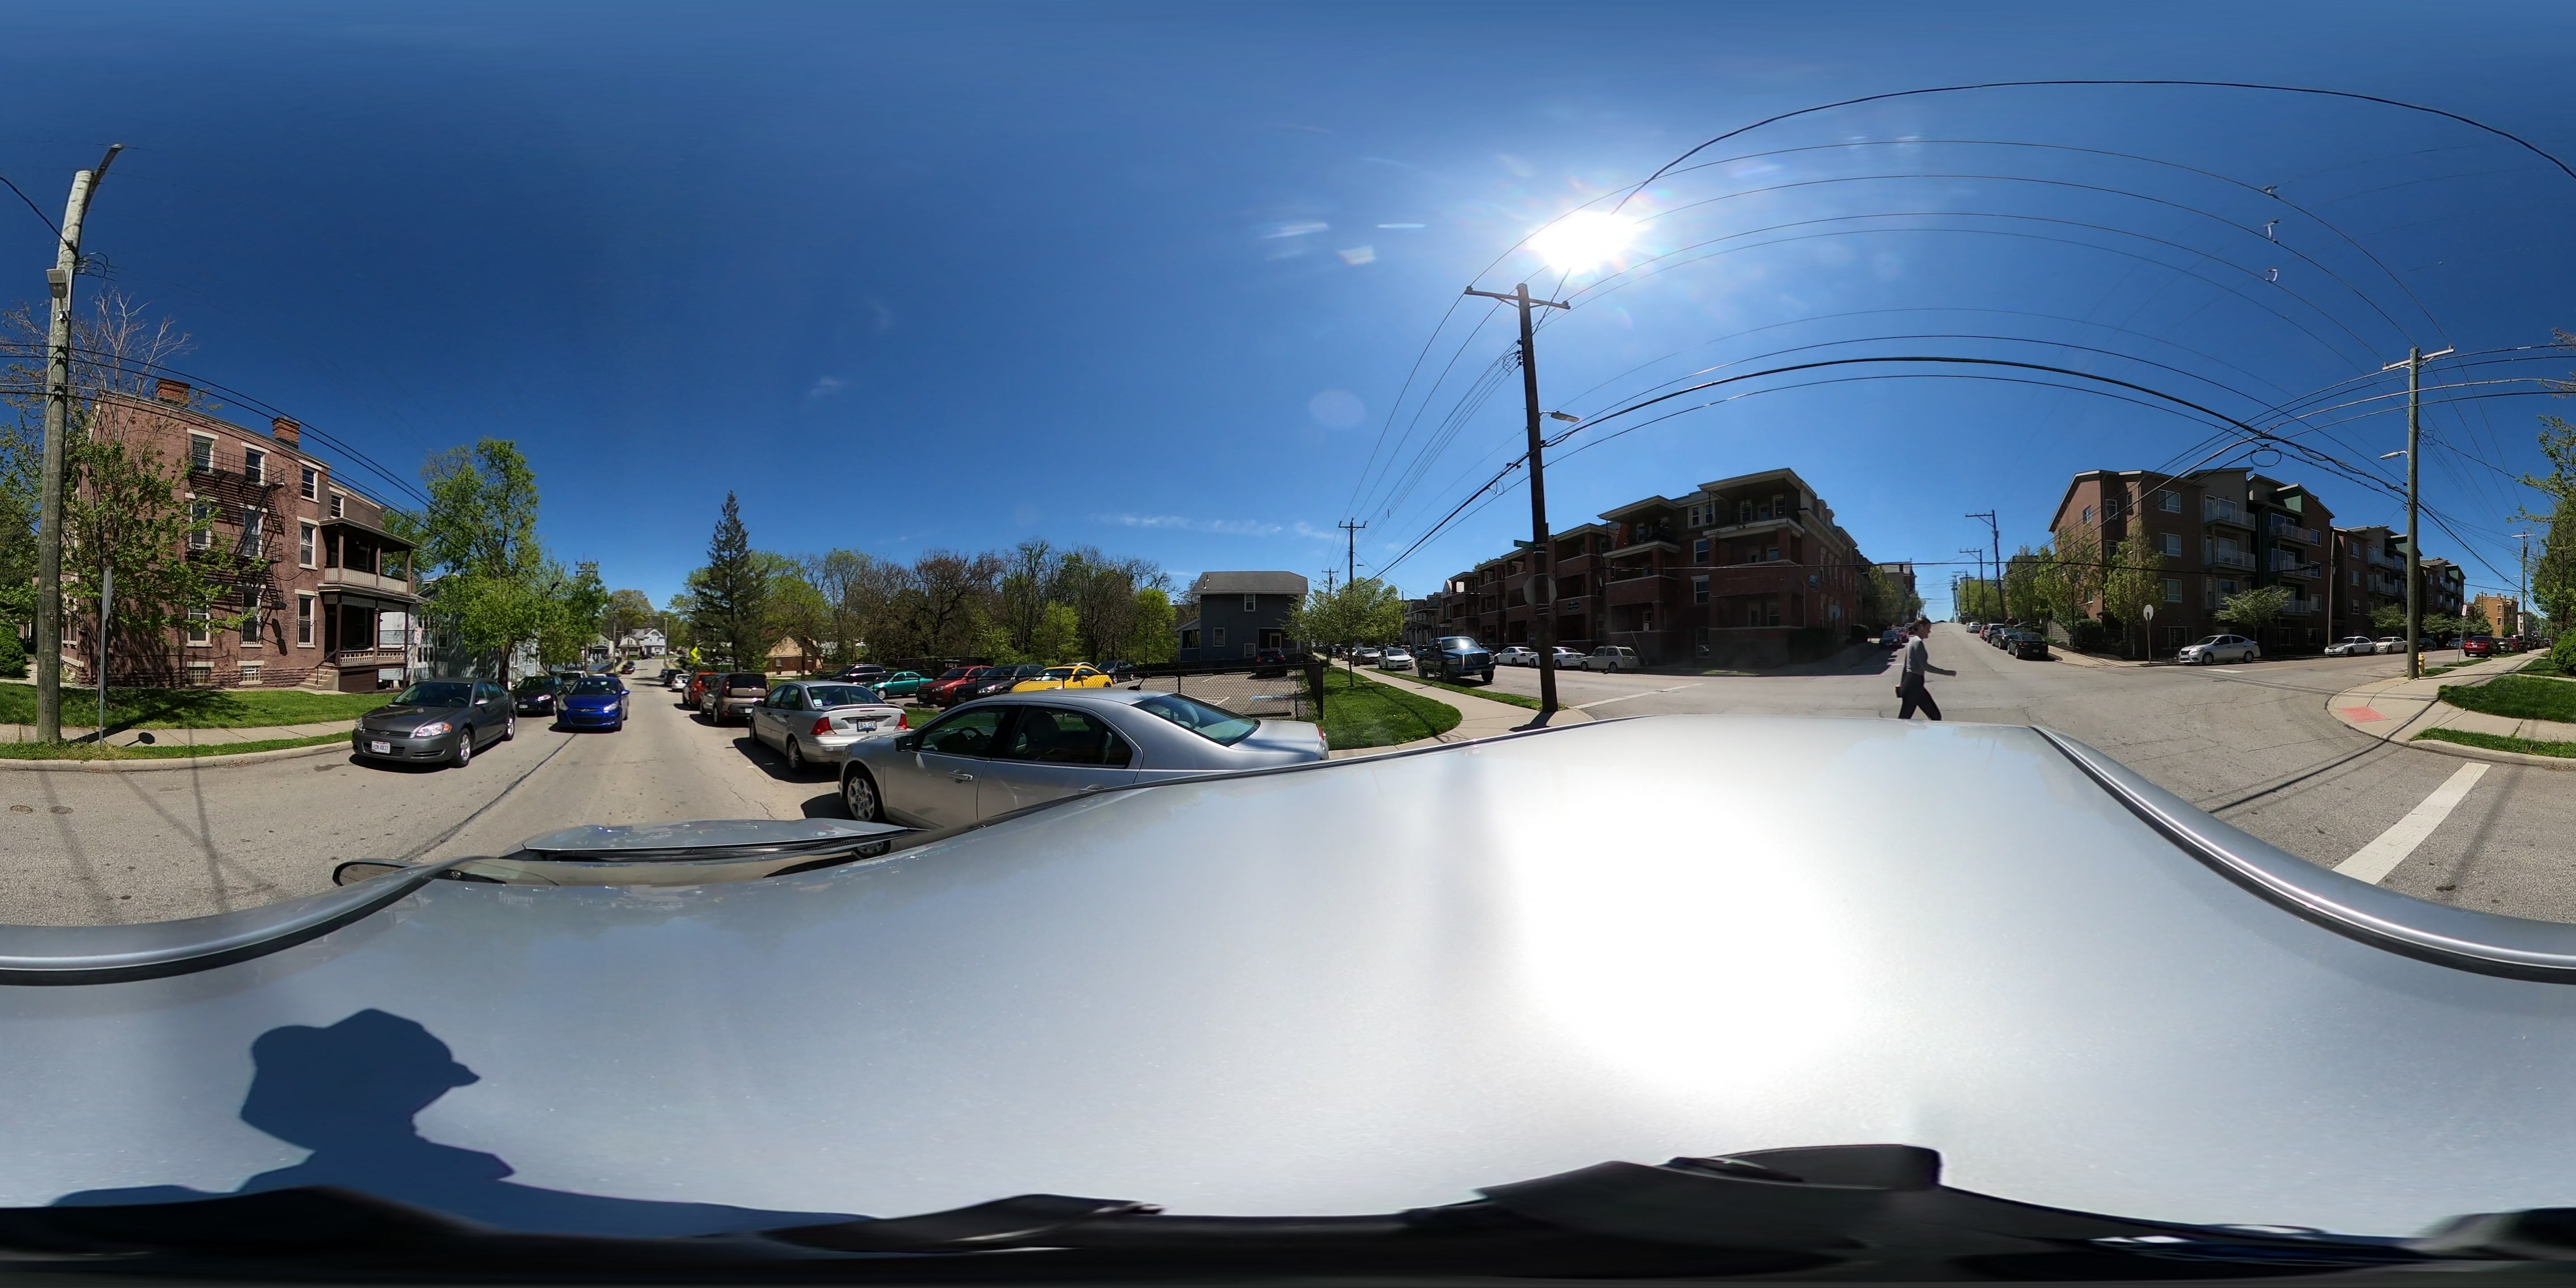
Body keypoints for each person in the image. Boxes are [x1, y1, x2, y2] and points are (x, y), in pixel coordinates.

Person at [1896, 617, 1953, 721]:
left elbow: (1906, 665)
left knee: (1906, 718)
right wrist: (1946, 672)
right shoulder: (1918, 642)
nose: (1929, 632)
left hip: (1912, 684)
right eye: (1928, 629)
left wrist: (1902, 683)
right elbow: (1924, 666)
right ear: (1921, 627)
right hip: (1914, 685)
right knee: (1934, 716)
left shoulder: (1912, 641)